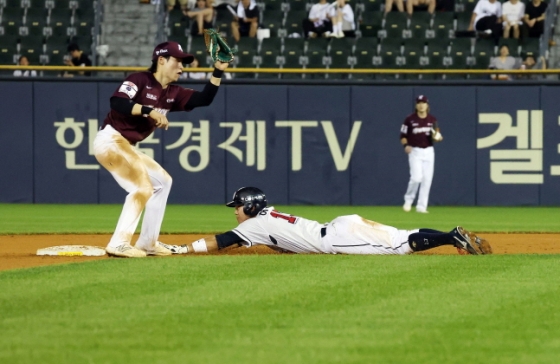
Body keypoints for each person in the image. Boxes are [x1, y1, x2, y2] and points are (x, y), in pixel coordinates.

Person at [93, 41, 230, 258]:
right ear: (161, 60)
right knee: (142, 186)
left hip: (125, 145)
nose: (182, 67)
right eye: (178, 61)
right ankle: (118, 242)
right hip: (110, 140)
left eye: (184, 62)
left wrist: (218, 70)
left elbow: (204, 99)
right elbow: (117, 102)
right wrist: (149, 111)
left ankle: (148, 243)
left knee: (163, 182)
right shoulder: (138, 79)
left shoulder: (172, 93)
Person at [160, 187, 492, 256]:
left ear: (250, 206)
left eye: (237, 206)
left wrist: (181, 250)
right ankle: (453, 236)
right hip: (339, 226)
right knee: (401, 235)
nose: (234, 211)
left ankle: (452, 238)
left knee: (398, 246)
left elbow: (222, 240)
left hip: (336, 239)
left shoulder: (251, 226)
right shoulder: (266, 216)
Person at [400, 95, 442, 214]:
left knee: (427, 179)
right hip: (415, 151)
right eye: (419, 102)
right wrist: (405, 145)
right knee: (416, 177)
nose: (421, 105)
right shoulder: (410, 119)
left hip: (428, 151)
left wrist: (438, 137)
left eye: (423, 102)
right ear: (416, 105)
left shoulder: (432, 120)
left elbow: (437, 134)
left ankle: (421, 206)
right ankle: (408, 200)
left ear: (427, 105)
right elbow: (403, 136)